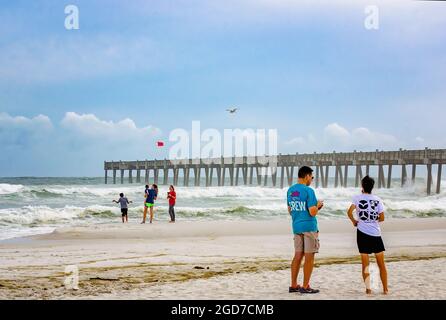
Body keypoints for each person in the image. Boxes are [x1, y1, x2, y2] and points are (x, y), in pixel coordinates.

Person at [347, 175, 388, 295]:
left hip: (362, 233)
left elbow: (349, 212)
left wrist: (355, 221)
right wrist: (372, 219)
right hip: (376, 234)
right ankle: (385, 289)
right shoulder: (377, 199)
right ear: (372, 187)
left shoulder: (357, 198)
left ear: (362, 186)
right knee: (381, 264)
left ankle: (368, 289)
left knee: (365, 264)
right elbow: (382, 218)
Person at [287, 166, 324, 294]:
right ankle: (305, 285)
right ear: (307, 176)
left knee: (297, 256)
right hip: (309, 227)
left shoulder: (290, 191)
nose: (311, 180)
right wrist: (319, 205)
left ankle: (293, 285)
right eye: (311, 177)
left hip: (296, 226)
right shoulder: (309, 191)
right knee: (309, 257)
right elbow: (312, 212)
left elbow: (290, 210)